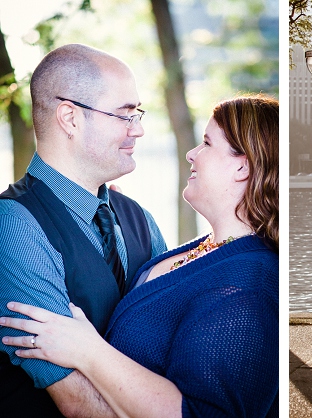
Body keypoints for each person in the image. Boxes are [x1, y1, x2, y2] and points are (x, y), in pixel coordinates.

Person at [1, 94, 279, 417]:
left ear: (242, 166)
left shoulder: (250, 288)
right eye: (123, 115)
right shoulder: (202, 247)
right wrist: (101, 215)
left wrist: (88, 350)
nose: (192, 153)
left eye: (206, 143)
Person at [0, 43, 167, 417]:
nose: (138, 130)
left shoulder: (139, 218)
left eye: (138, 113)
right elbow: (76, 401)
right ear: (70, 118)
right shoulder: (11, 226)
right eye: (125, 115)